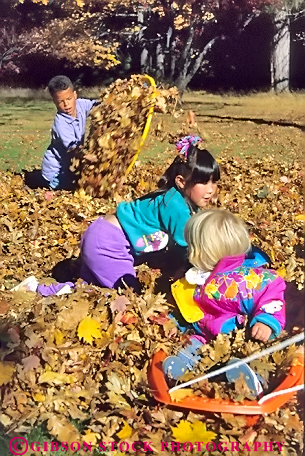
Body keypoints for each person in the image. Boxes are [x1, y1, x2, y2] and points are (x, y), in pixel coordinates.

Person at [15, 136, 220, 295]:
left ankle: (41, 287)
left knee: (91, 287)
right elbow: (190, 247)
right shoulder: (176, 206)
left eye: (214, 182)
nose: (211, 189)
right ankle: (36, 290)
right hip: (108, 245)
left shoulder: (173, 198)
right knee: (127, 294)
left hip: (101, 236)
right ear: (181, 182)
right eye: (204, 182)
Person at [163, 209, 286, 391]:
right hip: (205, 334)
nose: (187, 252)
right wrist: (175, 323)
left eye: (191, 247)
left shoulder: (245, 280)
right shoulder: (197, 277)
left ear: (204, 252)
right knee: (193, 346)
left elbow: (271, 292)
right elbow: (190, 308)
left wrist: (266, 322)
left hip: (239, 338)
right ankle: (183, 370)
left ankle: (252, 381)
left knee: (251, 356)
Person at [25, 75, 98, 190]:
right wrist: (92, 157)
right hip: (56, 171)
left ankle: (37, 177)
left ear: (75, 95)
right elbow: (73, 148)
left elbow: (97, 105)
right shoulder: (61, 124)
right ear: (54, 101)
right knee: (74, 188)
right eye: (60, 101)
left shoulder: (81, 104)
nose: (66, 104)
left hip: (68, 167)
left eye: (69, 99)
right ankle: (38, 179)